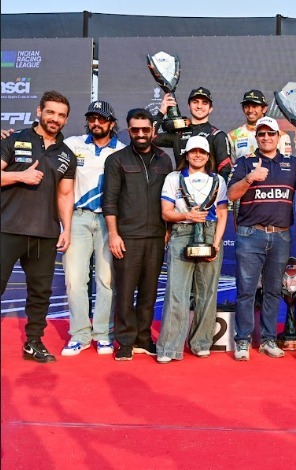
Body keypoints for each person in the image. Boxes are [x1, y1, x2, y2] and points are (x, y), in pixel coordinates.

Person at [0, 90, 76, 363]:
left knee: (40, 292)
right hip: (8, 228)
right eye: (51, 112)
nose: (55, 118)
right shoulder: (14, 139)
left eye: (61, 115)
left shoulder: (66, 154)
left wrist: (67, 229)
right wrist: (21, 176)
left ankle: (33, 342)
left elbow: (65, 195)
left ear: (66, 120)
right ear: (39, 111)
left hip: (45, 233)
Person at [227, 117, 296, 361]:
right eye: (261, 134)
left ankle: (268, 340)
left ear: (279, 137)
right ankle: (243, 340)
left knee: (273, 291)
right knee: (246, 291)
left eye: (271, 133)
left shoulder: (292, 164)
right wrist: (250, 178)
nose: (266, 138)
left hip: (281, 235)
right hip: (250, 234)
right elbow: (231, 194)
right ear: (256, 137)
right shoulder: (245, 162)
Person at [102, 108, 173, 361]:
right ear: (129, 130)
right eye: (135, 129)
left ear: (153, 131)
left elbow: (170, 198)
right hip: (127, 237)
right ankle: (125, 341)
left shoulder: (165, 160)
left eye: (145, 129)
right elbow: (109, 201)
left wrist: (168, 230)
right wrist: (113, 234)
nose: (140, 134)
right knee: (125, 292)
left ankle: (143, 338)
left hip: (156, 237)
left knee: (149, 292)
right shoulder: (116, 160)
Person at [60, 100, 126, 357]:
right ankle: (79, 335)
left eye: (101, 119)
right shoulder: (73, 144)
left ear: (111, 123)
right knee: (74, 280)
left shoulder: (121, 150)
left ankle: (103, 334)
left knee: (107, 280)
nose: (96, 123)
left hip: (108, 221)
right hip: (77, 218)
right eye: (92, 118)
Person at [156, 135, 228, 363]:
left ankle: (201, 343)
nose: (198, 155)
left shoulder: (218, 180)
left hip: (210, 232)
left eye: (202, 152)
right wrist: (187, 215)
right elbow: (166, 212)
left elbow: (223, 213)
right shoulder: (173, 178)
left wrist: (216, 243)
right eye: (193, 151)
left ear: (208, 156)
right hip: (182, 232)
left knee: (207, 292)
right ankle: (169, 348)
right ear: (186, 155)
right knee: (177, 291)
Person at [153, 87, 232, 182]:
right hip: (181, 188)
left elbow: (225, 169)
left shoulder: (217, 135)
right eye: (195, 102)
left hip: (208, 189)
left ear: (210, 108)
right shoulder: (178, 134)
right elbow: (150, 137)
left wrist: (217, 190)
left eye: (204, 103)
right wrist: (161, 112)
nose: (199, 106)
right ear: (188, 106)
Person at [228, 89, 292, 161]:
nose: (250, 110)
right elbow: (233, 165)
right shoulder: (233, 136)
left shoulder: (281, 136)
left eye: (254, 106)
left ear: (264, 109)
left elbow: (286, 164)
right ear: (243, 109)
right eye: (247, 107)